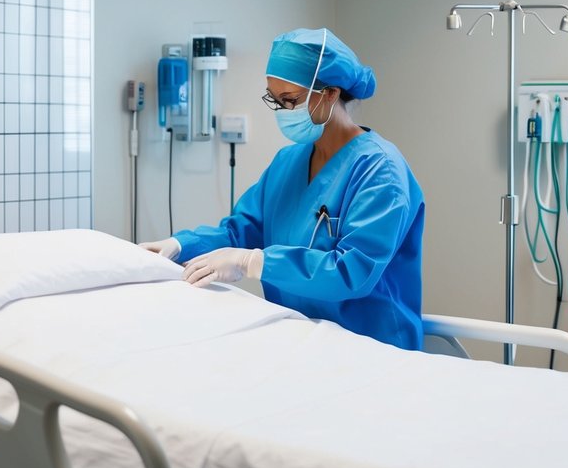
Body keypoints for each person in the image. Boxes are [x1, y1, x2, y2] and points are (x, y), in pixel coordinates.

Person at [142, 27, 425, 350]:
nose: (282, 112)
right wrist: (179, 245)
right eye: (274, 101)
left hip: (372, 346)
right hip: (298, 339)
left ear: (330, 94)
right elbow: (241, 231)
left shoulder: (379, 170)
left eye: (290, 101)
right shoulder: (289, 161)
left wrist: (252, 262)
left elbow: (352, 272)